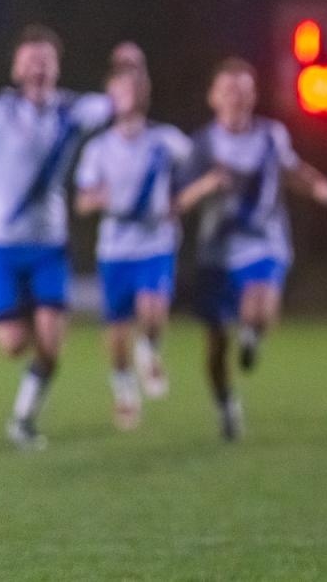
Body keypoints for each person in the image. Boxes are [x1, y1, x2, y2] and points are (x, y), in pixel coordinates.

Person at [0, 20, 144, 449]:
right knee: (11, 344)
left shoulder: (74, 110)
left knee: (51, 343)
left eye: (47, 61)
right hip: (1, 246)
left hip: (50, 246)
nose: (39, 69)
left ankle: (23, 420)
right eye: (31, 62)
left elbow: (125, 103)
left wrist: (132, 68)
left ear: (57, 68)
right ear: (17, 70)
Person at [181, 57, 327, 440]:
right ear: (214, 97)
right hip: (216, 251)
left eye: (243, 91)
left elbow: (296, 174)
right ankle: (226, 405)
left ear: (254, 95)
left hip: (264, 240)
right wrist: (209, 184)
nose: (236, 98)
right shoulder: (202, 144)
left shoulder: (270, 135)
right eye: (228, 91)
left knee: (260, 303)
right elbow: (178, 201)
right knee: (215, 344)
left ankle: (253, 334)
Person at [75, 64, 192, 430]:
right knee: (116, 332)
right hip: (115, 247)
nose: (127, 94)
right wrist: (98, 199)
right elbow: (81, 201)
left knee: (154, 311)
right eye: (120, 88)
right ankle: (125, 393)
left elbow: (193, 174)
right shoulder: (99, 147)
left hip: (155, 242)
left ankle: (151, 349)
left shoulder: (167, 141)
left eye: (134, 86)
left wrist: (181, 201)